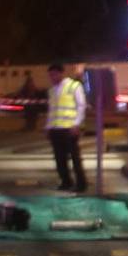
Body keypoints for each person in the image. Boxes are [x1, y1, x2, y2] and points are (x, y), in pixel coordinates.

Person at [45, 63, 87, 191]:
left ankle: (81, 184)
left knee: (75, 158)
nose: (52, 77)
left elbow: (81, 105)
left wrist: (76, 124)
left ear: (61, 73)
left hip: (69, 129)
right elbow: (52, 110)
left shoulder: (73, 86)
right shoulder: (52, 90)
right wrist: (48, 127)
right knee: (59, 159)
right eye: (50, 75)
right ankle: (66, 182)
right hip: (55, 129)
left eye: (54, 74)